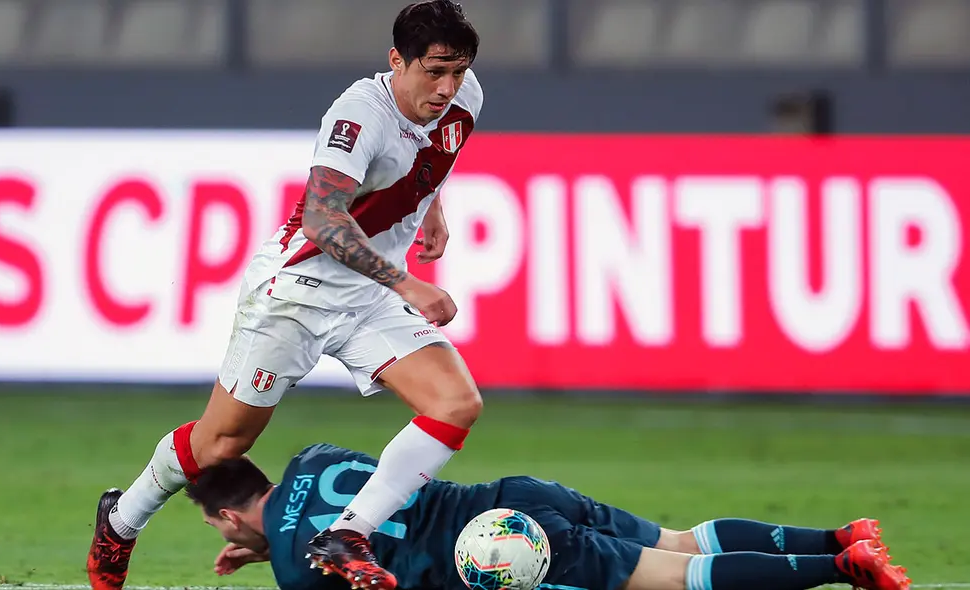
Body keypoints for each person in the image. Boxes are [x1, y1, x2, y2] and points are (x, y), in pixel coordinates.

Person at [86, 3, 484, 590]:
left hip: (366, 298)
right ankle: (121, 522)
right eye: (434, 71)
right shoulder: (357, 115)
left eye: (458, 71)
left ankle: (349, 533)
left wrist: (430, 209)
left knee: (455, 403)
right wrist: (406, 282)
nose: (447, 87)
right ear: (396, 60)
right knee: (221, 445)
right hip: (299, 289)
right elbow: (324, 219)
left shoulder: (464, 95)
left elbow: (427, 156)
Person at [184, 443, 912, 590]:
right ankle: (839, 537)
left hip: (503, 548)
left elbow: (346, 567)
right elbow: (334, 513)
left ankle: (840, 569)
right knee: (680, 539)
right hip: (519, 493)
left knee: (680, 578)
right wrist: (269, 543)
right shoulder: (313, 457)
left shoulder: (294, 569)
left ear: (223, 517)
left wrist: (272, 553)